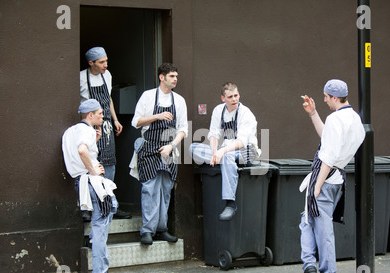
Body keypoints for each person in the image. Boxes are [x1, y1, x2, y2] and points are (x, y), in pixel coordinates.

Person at [299, 79, 365, 273]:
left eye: (326, 97)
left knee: (323, 230)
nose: (324, 100)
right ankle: (309, 264)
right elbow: (329, 139)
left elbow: (328, 154)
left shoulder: (336, 119)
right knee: (307, 221)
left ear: (334, 97)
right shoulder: (355, 120)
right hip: (337, 179)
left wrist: (317, 185)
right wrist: (313, 113)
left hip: (325, 178)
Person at [131, 63, 188, 245]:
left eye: (176, 76)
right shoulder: (148, 96)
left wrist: (171, 146)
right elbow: (136, 121)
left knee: (165, 189)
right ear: (161, 77)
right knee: (149, 189)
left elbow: (183, 129)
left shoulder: (179, 100)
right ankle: (147, 231)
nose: (175, 79)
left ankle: (162, 229)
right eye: (172, 76)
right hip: (149, 148)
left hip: (169, 148)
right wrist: (157, 116)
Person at [62, 99, 118, 273]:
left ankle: (94, 241)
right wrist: (93, 170)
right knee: (101, 224)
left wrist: (95, 141)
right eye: (100, 113)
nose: (103, 115)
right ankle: (99, 272)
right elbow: (82, 150)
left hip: (81, 181)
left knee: (111, 207)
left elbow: (80, 149)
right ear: (90, 115)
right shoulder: (86, 130)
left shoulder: (71, 131)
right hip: (91, 180)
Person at [189, 82, 261, 221]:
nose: (234, 99)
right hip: (225, 150)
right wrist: (215, 151)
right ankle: (221, 160)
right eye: (230, 97)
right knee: (193, 148)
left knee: (227, 156)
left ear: (239, 94)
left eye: (236, 95)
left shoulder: (246, 114)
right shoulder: (218, 110)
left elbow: (241, 141)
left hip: (247, 150)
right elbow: (213, 134)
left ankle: (230, 203)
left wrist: (221, 153)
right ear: (223, 98)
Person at [80, 47, 129, 220]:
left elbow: (108, 100)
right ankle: (88, 207)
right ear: (91, 63)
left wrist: (115, 119)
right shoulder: (81, 78)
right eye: (101, 62)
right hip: (89, 125)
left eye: (106, 61)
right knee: (90, 162)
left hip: (106, 124)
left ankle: (109, 203)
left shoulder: (106, 76)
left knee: (109, 163)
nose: (105, 65)